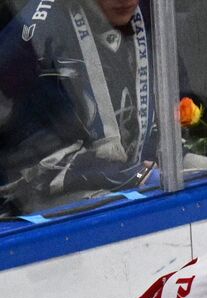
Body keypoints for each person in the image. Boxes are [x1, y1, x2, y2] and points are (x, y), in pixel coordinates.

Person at [0, 0, 160, 214]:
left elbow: (179, 112)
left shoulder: (155, 14)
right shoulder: (33, 37)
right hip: (38, 214)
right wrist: (133, 175)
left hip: (130, 182)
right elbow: (28, 163)